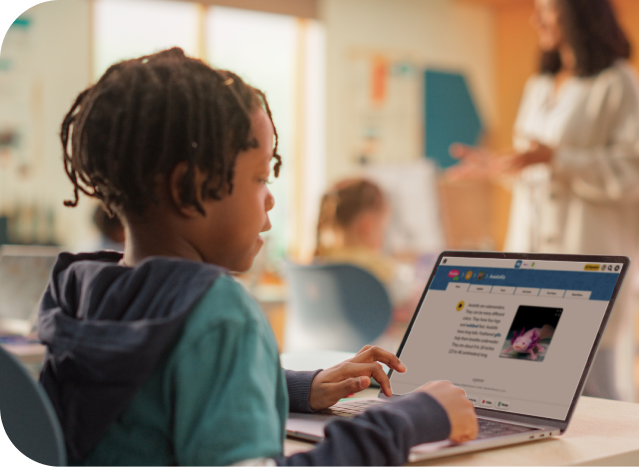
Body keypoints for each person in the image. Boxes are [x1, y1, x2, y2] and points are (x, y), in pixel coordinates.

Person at [36, 48, 477, 467]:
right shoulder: (217, 312)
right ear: (185, 187)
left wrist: (300, 388)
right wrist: (408, 420)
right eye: (260, 177)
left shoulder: (83, 289)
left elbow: (159, 393)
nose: (269, 200)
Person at [449, 0, 639, 401]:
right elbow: (535, 174)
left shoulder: (617, 81)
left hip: (587, 259)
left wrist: (557, 157)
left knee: (594, 388)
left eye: (546, 8)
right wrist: (499, 167)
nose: (535, 18)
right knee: (524, 376)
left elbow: (635, 170)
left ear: (579, 12)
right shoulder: (539, 86)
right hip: (531, 258)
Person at [315, 178, 416, 320]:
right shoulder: (374, 266)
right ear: (367, 226)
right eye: (383, 228)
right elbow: (408, 298)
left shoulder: (322, 258)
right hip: (370, 341)